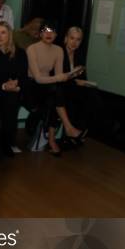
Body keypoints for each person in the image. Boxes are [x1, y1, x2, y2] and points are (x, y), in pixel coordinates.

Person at [25, 22, 85, 156]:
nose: (48, 34)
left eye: (52, 31)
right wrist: (60, 78)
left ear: (56, 35)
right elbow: (39, 78)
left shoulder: (58, 50)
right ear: (40, 33)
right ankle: (66, 129)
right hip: (32, 86)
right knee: (56, 93)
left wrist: (70, 75)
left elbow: (59, 76)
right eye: (45, 31)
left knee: (56, 94)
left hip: (49, 87)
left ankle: (55, 138)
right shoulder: (32, 48)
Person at [0, 21, 27, 155]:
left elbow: (24, 74)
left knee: (11, 99)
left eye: (3, 32)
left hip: (14, 90)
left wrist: (16, 84)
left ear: (9, 35)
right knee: (2, 100)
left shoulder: (20, 53)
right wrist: (4, 86)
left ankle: (8, 142)